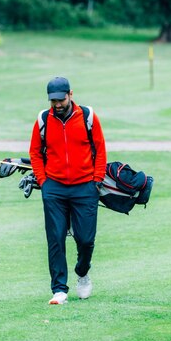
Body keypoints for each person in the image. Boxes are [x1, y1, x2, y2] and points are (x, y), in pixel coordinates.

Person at [29, 77, 107, 305]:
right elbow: (35, 152)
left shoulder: (88, 116)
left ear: (70, 94)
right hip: (54, 188)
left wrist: (97, 179)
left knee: (85, 239)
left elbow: (100, 148)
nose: (57, 104)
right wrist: (44, 182)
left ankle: (82, 273)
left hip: (85, 186)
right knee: (55, 238)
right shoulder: (44, 119)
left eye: (61, 99)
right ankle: (59, 289)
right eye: (53, 100)